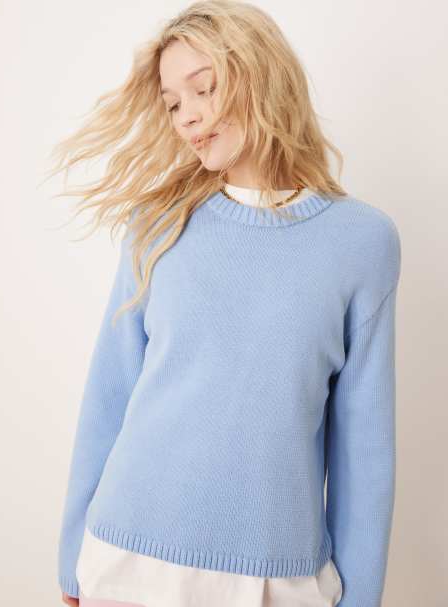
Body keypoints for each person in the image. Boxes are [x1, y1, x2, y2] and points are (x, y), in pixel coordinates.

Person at [50, 1, 401, 606]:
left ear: (262, 75)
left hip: (276, 578)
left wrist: (361, 595)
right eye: (172, 104)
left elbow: (364, 446)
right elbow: (110, 392)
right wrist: (72, 559)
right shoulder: (157, 224)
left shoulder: (362, 242)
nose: (187, 115)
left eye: (204, 88)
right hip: (129, 560)